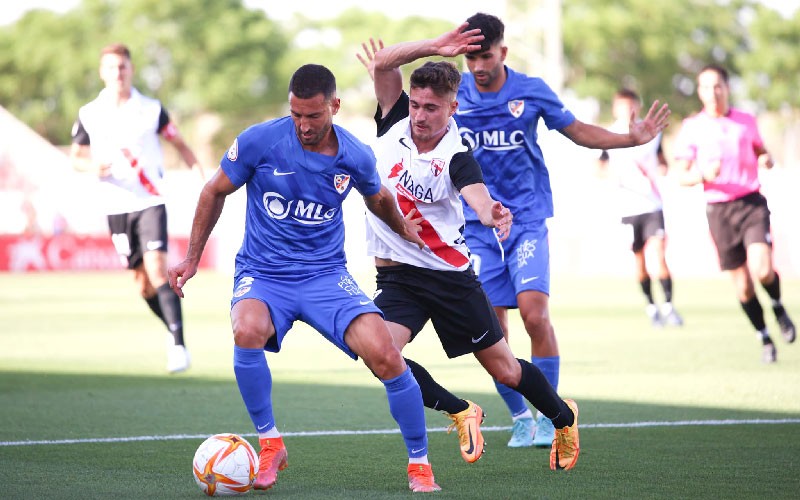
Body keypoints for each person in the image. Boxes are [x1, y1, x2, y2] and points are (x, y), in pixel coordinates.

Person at [167, 64, 442, 493]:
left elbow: (379, 197)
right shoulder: (261, 141)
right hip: (264, 273)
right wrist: (191, 258)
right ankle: (271, 442)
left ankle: (420, 464)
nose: (303, 125)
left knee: (386, 354)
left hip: (325, 276)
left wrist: (403, 228)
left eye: (313, 116)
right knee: (247, 329)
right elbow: (213, 190)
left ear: (334, 106)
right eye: (296, 114)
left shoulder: (354, 154)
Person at [356, 28, 580, 472]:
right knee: (379, 354)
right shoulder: (395, 119)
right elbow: (383, 64)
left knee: (506, 371)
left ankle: (563, 418)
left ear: (453, 107)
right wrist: (437, 46)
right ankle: (460, 411)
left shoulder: (457, 153)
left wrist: (491, 210)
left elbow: (474, 191)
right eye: (416, 104)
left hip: (448, 278)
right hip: (397, 277)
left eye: (431, 108)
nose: (420, 115)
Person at [451, 13, 670, 448]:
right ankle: (519, 417)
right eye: (470, 55)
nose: (477, 65)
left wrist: (630, 139)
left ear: (503, 52)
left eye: (486, 55)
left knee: (535, 314)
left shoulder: (530, 90)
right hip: (476, 227)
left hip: (527, 219)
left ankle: (551, 415)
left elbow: (577, 131)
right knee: (489, 332)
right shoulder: (453, 93)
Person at [70, 43, 205, 374]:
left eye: (123, 67)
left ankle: (178, 345)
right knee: (142, 283)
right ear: (102, 72)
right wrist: (93, 167)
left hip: (150, 200)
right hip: (116, 206)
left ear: (131, 69)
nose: (118, 73)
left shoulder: (151, 109)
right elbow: (76, 157)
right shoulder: (90, 113)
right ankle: (173, 327)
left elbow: (180, 143)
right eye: (112, 67)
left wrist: (202, 180)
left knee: (158, 269)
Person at [673, 64, 796, 363]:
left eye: (718, 86)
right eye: (705, 87)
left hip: (751, 202)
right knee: (743, 285)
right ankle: (764, 337)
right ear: (699, 92)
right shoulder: (692, 127)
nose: (713, 92)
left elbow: (759, 150)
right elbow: (681, 174)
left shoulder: (745, 120)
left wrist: (765, 159)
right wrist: (703, 174)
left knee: (763, 269)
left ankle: (778, 305)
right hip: (719, 210)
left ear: (727, 88)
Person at [597, 88, 684, 328]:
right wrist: (611, 175)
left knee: (659, 255)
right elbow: (600, 166)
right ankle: (651, 306)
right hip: (626, 208)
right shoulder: (608, 134)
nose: (626, 111)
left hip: (652, 204)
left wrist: (665, 169)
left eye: (630, 106)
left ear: (638, 106)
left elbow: (663, 161)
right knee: (640, 262)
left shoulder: (650, 132)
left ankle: (668, 306)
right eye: (622, 107)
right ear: (615, 109)